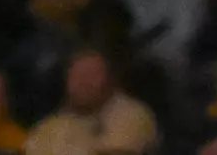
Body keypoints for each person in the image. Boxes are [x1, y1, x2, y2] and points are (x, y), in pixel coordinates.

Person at [26, 49, 157, 155]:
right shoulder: (50, 127)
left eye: (92, 75)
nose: (83, 82)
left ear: (109, 79)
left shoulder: (131, 114)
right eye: (76, 76)